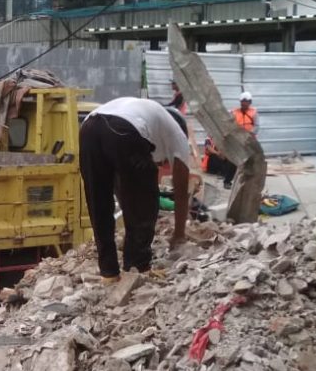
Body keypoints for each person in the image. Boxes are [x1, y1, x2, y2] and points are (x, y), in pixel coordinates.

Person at [79, 99, 191, 283]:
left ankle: (109, 273)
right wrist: (179, 233)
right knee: (146, 203)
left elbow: (122, 188)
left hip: (89, 128)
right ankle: (138, 269)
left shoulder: (148, 115)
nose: (163, 164)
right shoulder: (178, 137)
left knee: (98, 202)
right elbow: (181, 191)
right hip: (124, 129)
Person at [206, 92, 258, 188]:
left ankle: (249, 182)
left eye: (246, 101)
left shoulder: (254, 112)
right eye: (243, 101)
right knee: (233, 161)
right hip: (236, 140)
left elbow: (257, 126)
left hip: (248, 141)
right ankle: (227, 181)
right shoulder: (234, 112)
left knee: (250, 162)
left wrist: (249, 135)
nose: (244, 103)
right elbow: (228, 125)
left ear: (250, 102)